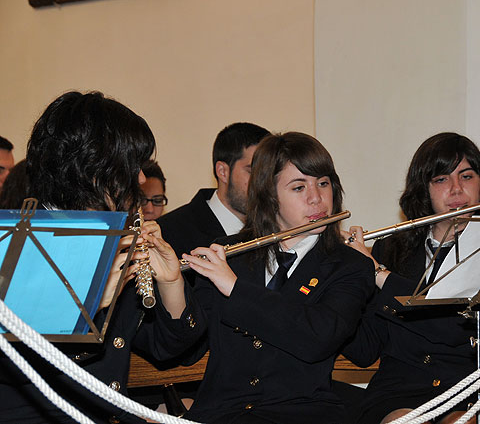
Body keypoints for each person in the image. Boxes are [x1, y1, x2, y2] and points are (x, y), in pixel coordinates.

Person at [0, 91, 204, 423]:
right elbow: (14, 369)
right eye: (132, 164)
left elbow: (167, 349)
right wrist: (87, 306)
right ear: (91, 168)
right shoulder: (20, 244)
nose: (141, 179)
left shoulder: (114, 239)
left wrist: (170, 283)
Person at [166, 132, 375, 424]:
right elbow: (186, 349)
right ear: (268, 195)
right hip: (221, 414)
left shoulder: (349, 265)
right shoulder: (229, 254)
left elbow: (319, 337)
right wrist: (170, 284)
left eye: (324, 183)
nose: (317, 198)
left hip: (303, 414)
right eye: (299, 187)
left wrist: (235, 289)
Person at [342, 133, 480, 424]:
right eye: (441, 179)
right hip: (399, 387)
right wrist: (337, 274)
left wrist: (379, 273)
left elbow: (455, 327)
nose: (456, 190)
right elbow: (366, 350)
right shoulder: (390, 248)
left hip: (472, 385)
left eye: (466, 176)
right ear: (424, 190)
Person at [158, 122, 270, 257]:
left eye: (270, 174)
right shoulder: (167, 233)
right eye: (253, 171)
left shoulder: (274, 229)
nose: (264, 183)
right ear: (223, 172)